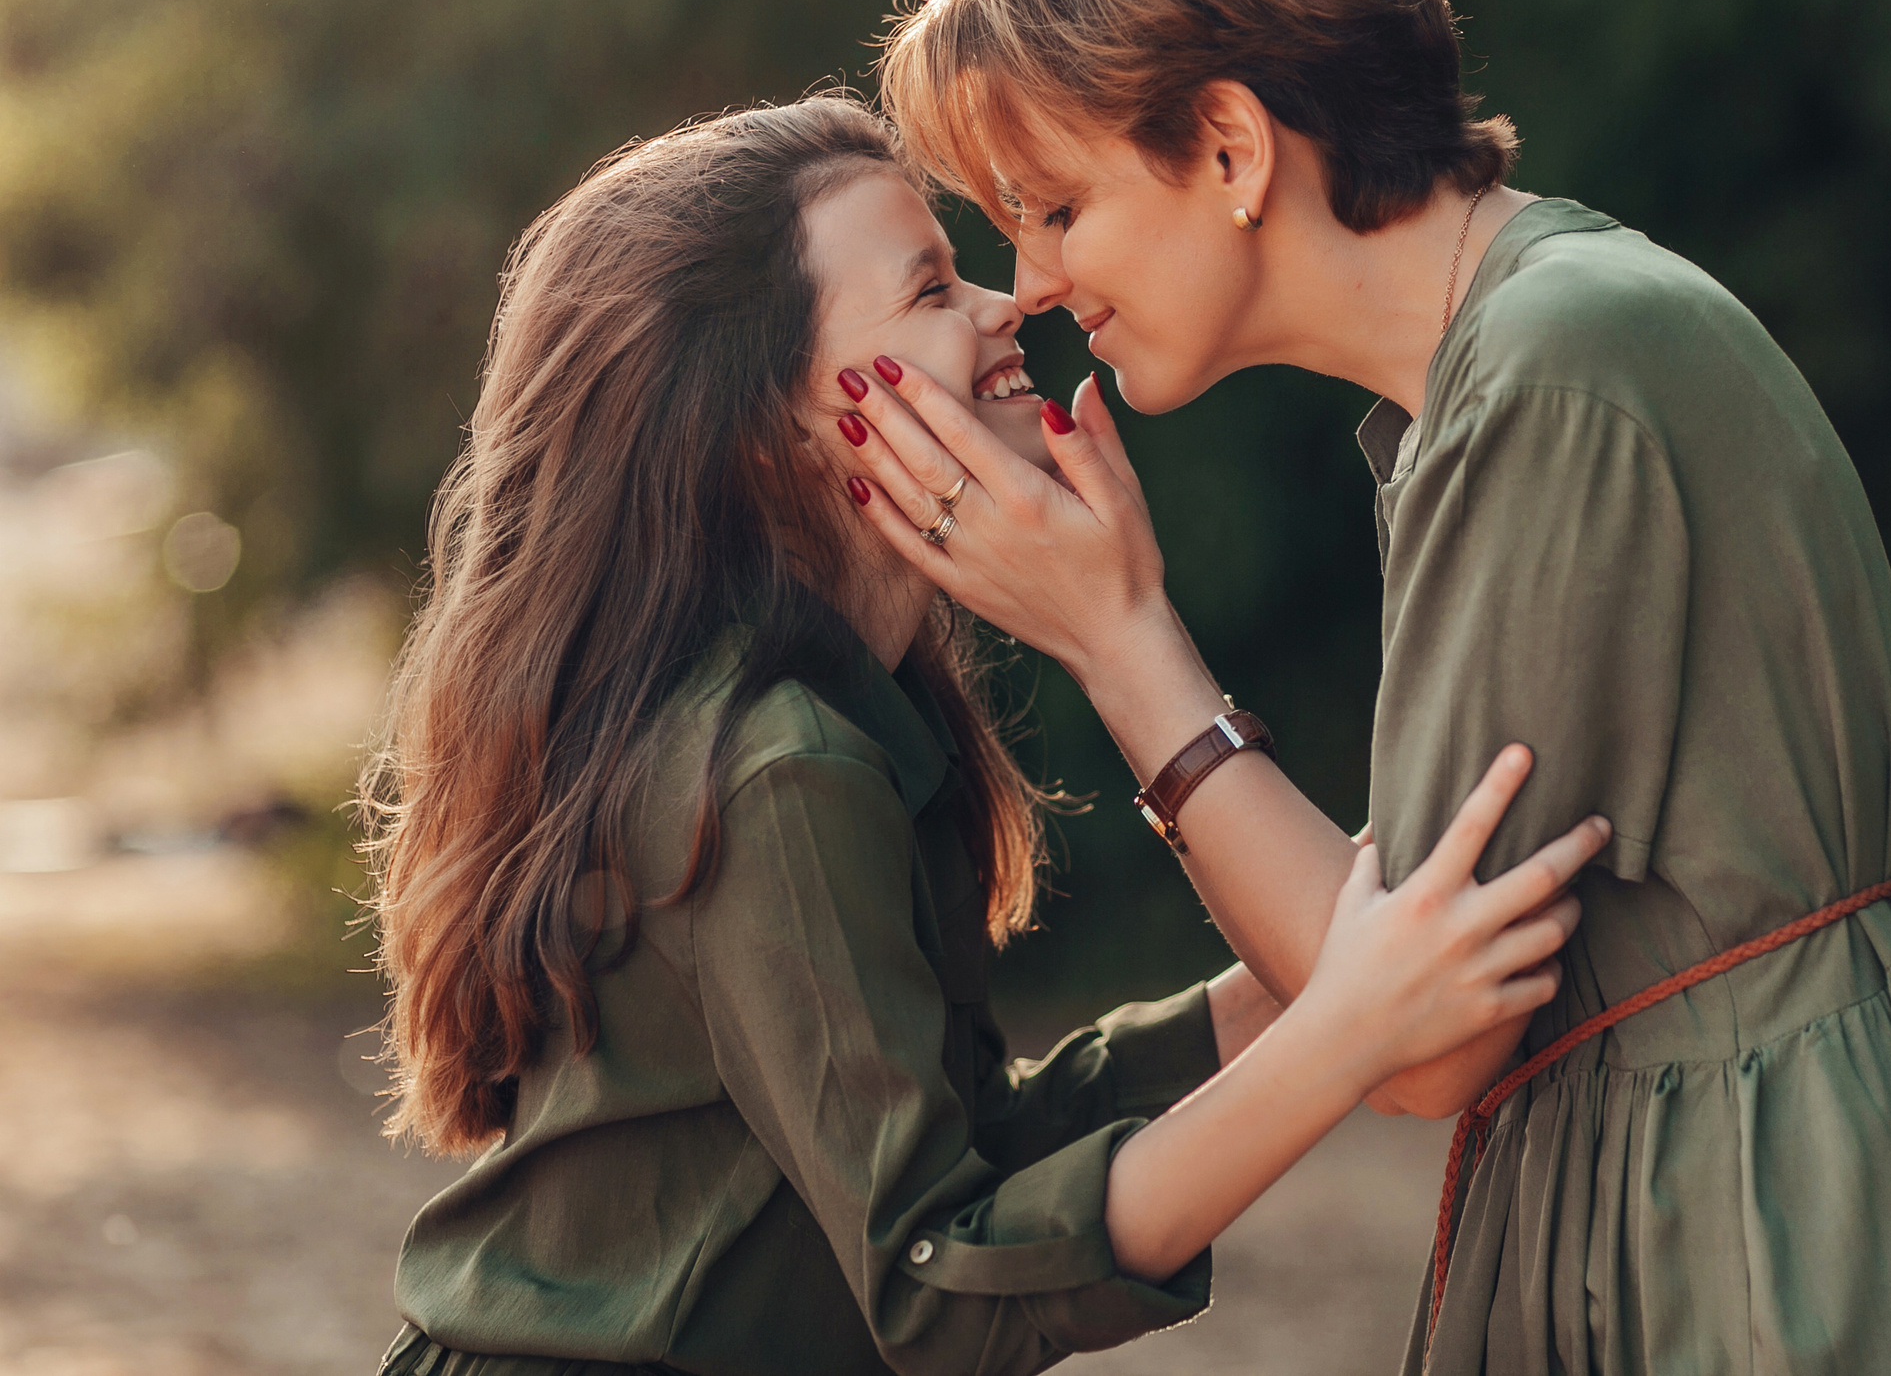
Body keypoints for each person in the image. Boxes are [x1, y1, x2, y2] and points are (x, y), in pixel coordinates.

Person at [838, 0, 1891, 1375]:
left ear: (1230, 147)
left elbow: (1427, 1036)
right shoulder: (1495, 372)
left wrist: (1117, 637)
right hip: (1727, 1193)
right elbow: (1401, 946)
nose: (1038, 285)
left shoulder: (1559, 365)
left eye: (1053, 209)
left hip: (1788, 1237)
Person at [358, 92, 1612, 1376]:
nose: (1003, 306)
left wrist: (1306, 966)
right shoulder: (777, 763)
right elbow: (936, 1290)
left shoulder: (859, 715)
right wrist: (1340, 1035)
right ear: (773, 428)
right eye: (931, 290)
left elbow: (980, 1146)